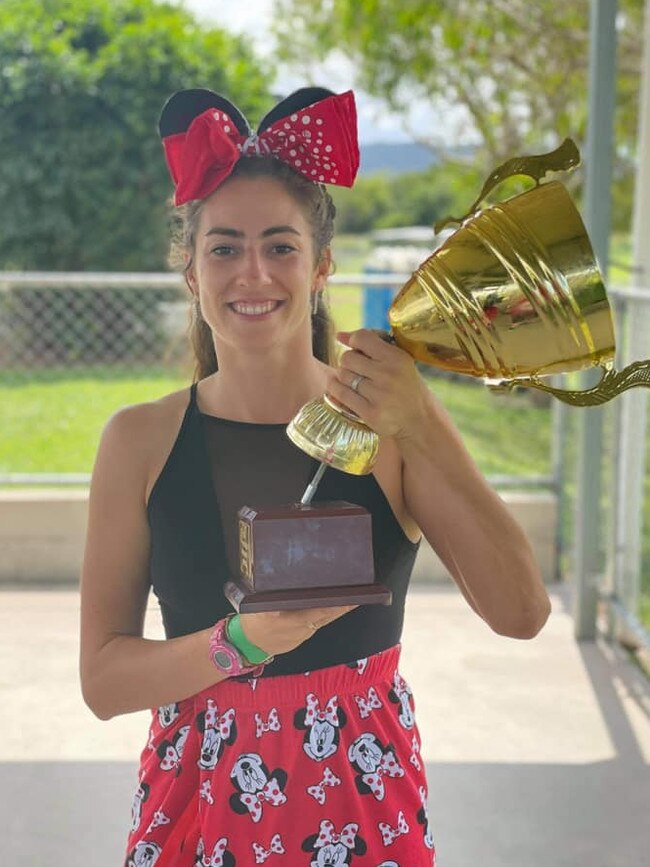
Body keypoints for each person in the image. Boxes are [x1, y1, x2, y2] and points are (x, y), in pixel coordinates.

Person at [79, 86, 551, 867]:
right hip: (197, 814)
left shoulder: (394, 430)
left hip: (364, 821)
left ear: (323, 265)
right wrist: (240, 643)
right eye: (223, 247)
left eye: (281, 245)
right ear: (191, 273)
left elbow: (523, 611)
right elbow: (103, 679)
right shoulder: (138, 442)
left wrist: (425, 421)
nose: (252, 271)